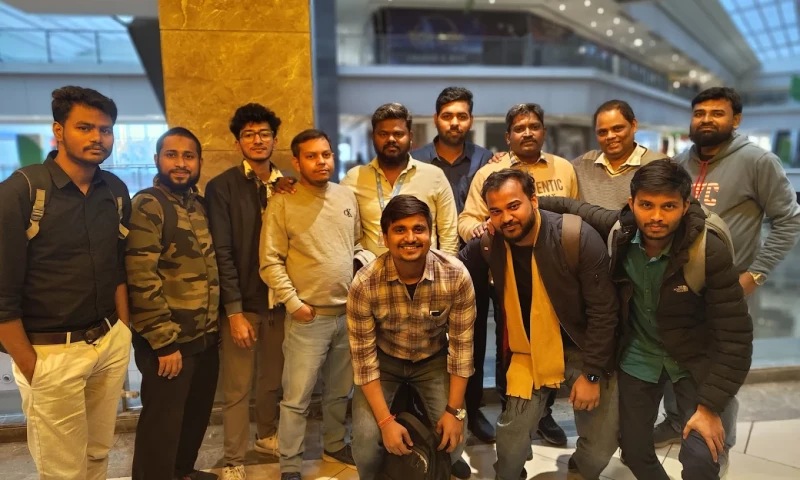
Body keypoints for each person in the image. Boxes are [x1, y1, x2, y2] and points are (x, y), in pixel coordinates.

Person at [539, 160, 753, 479]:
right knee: (635, 452)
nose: (655, 217)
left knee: (701, 458)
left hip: (693, 358)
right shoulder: (622, 231)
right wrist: (527, 201)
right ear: (632, 203)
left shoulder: (708, 250)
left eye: (669, 206)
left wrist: (709, 408)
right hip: (640, 356)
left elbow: (736, 338)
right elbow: (574, 206)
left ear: (685, 205)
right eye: (646, 205)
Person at [648, 86, 800, 449]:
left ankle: (719, 441)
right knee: (674, 356)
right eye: (700, 113)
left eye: (717, 113)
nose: (706, 120)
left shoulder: (758, 162)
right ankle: (676, 422)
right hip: (679, 287)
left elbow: (789, 220)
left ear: (736, 119)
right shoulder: (679, 164)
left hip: (730, 288)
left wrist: (755, 275)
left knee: (721, 363)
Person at [0, 86, 131, 480]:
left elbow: (116, 266)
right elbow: (2, 294)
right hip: (50, 354)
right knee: (63, 471)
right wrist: (31, 365)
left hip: (108, 342)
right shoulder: (22, 191)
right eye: (85, 127)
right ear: (58, 130)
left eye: (105, 130)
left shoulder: (115, 190)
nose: (98, 138)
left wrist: (123, 331)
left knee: (98, 455)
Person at [459, 169, 619, 480]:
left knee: (601, 445)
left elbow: (605, 312)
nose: (506, 218)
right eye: (496, 211)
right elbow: (453, 271)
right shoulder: (491, 242)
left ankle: (580, 471)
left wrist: (592, 373)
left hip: (584, 348)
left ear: (533, 201)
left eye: (513, 206)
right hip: (529, 350)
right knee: (510, 443)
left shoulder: (575, 237)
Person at [459, 103, 579, 447]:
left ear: (544, 132)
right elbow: (466, 220)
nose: (527, 132)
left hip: (554, 276)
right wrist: (480, 229)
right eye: (519, 128)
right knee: (511, 350)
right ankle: (513, 410)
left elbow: (575, 216)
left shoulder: (564, 169)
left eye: (534, 126)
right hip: (508, 276)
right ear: (508, 136)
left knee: (552, 345)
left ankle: (544, 413)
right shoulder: (490, 172)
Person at [261, 129, 375, 480]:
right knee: (296, 399)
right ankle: (290, 465)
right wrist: (294, 304)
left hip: (347, 315)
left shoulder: (346, 195)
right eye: (311, 156)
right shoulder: (283, 201)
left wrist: (361, 270)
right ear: (296, 162)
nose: (321, 161)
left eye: (325, 154)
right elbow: (269, 262)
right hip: (307, 319)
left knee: (339, 392)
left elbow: (356, 244)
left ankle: (334, 444)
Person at [348, 195, 476, 480]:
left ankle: (438, 465)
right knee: (366, 444)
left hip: (433, 359)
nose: (410, 238)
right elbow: (363, 362)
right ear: (385, 237)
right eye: (399, 230)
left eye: (419, 229)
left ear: (431, 233)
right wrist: (385, 422)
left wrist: (454, 412)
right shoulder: (365, 283)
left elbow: (462, 350)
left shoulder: (455, 276)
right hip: (384, 362)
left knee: (457, 440)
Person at [205, 103, 296, 480]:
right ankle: (233, 459)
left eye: (264, 134)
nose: (257, 140)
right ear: (238, 142)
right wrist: (234, 310)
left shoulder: (290, 184)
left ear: (274, 140)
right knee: (237, 387)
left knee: (273, 380)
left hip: (279, 302)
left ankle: (267, 436)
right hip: (242, 303)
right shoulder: (222, 187)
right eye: (248, 134)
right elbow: (221, 252)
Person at [126, 127, 220, 480]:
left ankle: (182, 473)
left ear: (199, 162)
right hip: (169, 342)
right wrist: (164, 342)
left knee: (195, 416)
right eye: (172, 155)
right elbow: (140, 276)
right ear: (157, 160)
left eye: (188, 156)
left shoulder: (200, 206)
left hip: (204, 338)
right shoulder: (148, 204)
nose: (181, 163)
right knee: (161, 427)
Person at [410, 86, 495, 443]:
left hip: (476, 265)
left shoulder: (487, 160)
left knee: (471, 339)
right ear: (436, 119)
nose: (454, 122)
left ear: (471, 120)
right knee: (426, 339)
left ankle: (471, 409)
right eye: (447, 116)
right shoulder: (416, 160)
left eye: (461, 116)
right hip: (425, 266)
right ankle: (424, 412)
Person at [342, 103, 459, 257]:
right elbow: (341, 227)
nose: (391, 139)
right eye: (383, 134)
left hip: (425, 269)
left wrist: (445, 269)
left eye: (398, 134)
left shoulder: (434, 177)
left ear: (410, 137)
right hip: (374, 270)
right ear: (373, 137)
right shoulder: (354, 179)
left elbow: (449, 234)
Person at [572, 100, 669, 209]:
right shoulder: (583, 164)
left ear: (634, 125)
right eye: (602, 132)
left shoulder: (660, 165)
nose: (610, 136)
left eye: (617, 128)